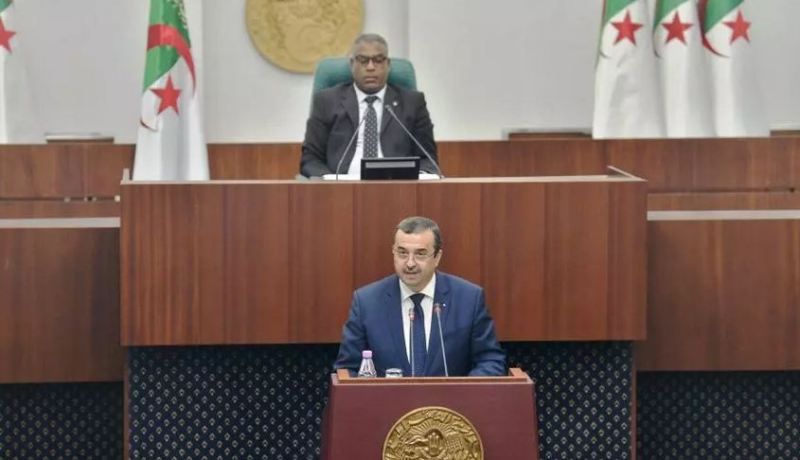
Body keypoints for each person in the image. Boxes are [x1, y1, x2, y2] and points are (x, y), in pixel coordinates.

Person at [334, 216, 506, 377]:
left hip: (450, 400)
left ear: (437, 257)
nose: (410, 263)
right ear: (393, 252)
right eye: (402, 253)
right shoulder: (367, 303)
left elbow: (490, 361)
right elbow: (346, 370)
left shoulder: (469, 299)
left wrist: (461, 393)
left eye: (420, 254)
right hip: (387, 400)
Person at [300, 33, 438, 178]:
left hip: (396, 184)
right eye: (363, 60)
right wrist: (329, 182)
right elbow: (311, 159)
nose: (371, 67)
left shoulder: (412, 103)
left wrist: (420, 178)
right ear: (352, 64)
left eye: (378, 60)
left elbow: (428, 159)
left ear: (388, 64)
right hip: (342, 185)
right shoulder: (327, 101)